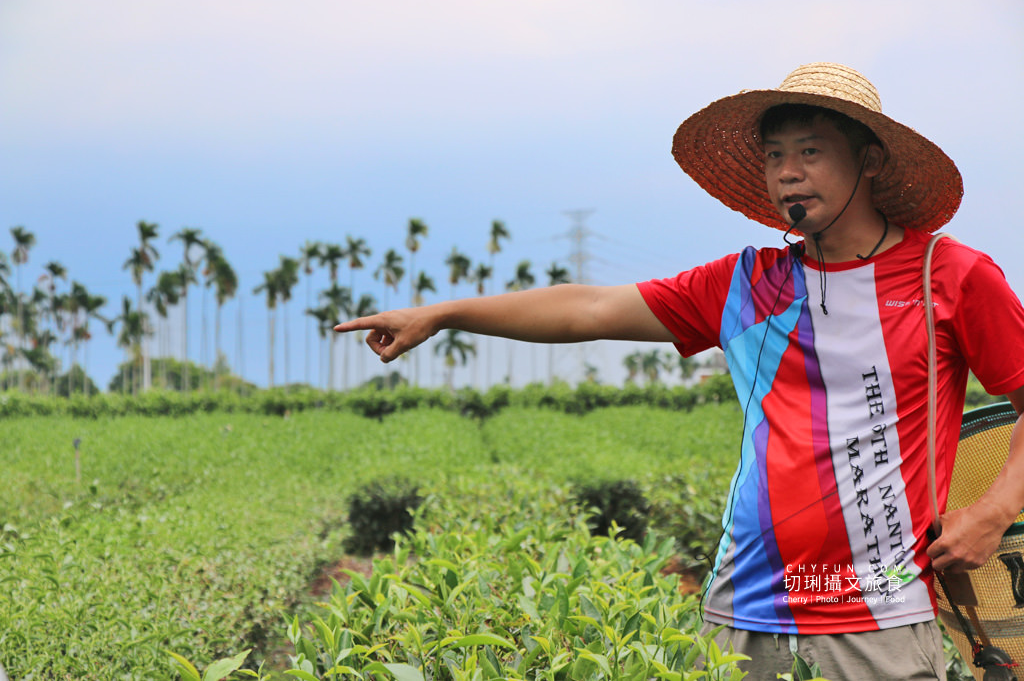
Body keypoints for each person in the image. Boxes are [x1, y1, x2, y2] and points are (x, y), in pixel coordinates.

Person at [335, 63, 1024, 680]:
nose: (788, 172)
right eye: (777, 156)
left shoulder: (949, 275)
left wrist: (994, 511)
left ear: (869, 160)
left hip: (880, 618)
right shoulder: (746, 285)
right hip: (744, 610)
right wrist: (446, 313)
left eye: (811, 152)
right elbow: (591, 309)